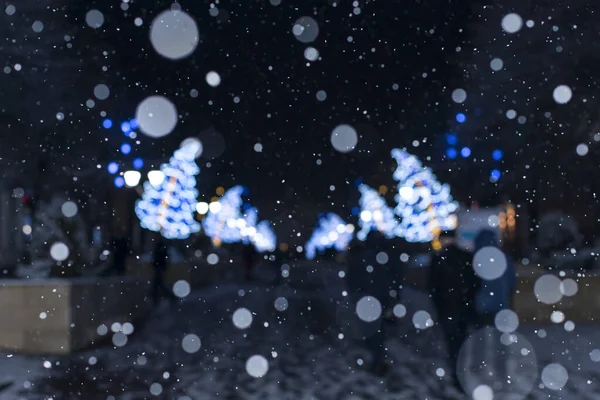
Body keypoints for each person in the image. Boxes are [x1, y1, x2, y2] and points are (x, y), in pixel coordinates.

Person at [429, 229, 479, 390]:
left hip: (447, 308)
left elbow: (432, 287)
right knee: (460, 339)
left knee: (452, 342)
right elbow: (475, 283)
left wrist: (439, 304)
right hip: (463, 307)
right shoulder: (466, 257)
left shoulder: (438, 259)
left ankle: (457, 373)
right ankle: (461, 370)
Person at [346, 230, 391, 376]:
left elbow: (352, 280)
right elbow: (390, 280)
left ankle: (376, 358)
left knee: (371, 331)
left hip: (366, 300)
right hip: (378, 299)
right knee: (378, 331)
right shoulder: (383, 258)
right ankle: (378, 358)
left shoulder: (361, 258)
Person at [473, 229, 516, 328]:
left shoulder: (475, 258)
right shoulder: (504, 257)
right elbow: (511, 279)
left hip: (480, 301)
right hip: (500, 300)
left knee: (481, 330)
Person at [152, 236, 171, 305]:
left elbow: (155, 257)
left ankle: (168, 297)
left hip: (159, 266)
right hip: (160, 266)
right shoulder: (162, 247)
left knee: (159, 284)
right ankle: (168, 297)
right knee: (159, 284)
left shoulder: (159, 247)